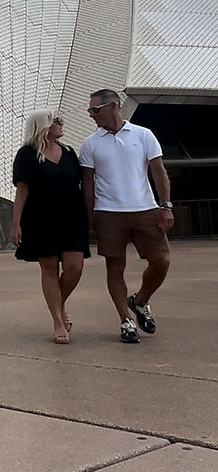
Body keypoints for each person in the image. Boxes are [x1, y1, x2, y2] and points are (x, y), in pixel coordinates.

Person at [79, 89, 173, 344]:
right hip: (109, 213)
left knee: (161, 260)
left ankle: (140, 301)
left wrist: (165, 206)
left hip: (145, 208)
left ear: (113, 107)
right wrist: (90, 215)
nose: (91, 115)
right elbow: (87, 183)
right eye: (89, 111)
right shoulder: (90, 144)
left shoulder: (143, 135)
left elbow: (159, 172)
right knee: (115, 266)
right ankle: (125, 320)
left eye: (95, 110)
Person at [10, 110, 89, 344]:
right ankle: (57, 320)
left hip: (72, 216)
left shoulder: (69, 152)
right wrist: (16, 223)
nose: (61, 124)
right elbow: (22, 189)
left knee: (75, 267)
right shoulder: (27, 154)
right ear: (43, 126)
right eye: (57, 121)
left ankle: (59, 303)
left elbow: (82, 183)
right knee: (50, 268)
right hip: (40, 218)